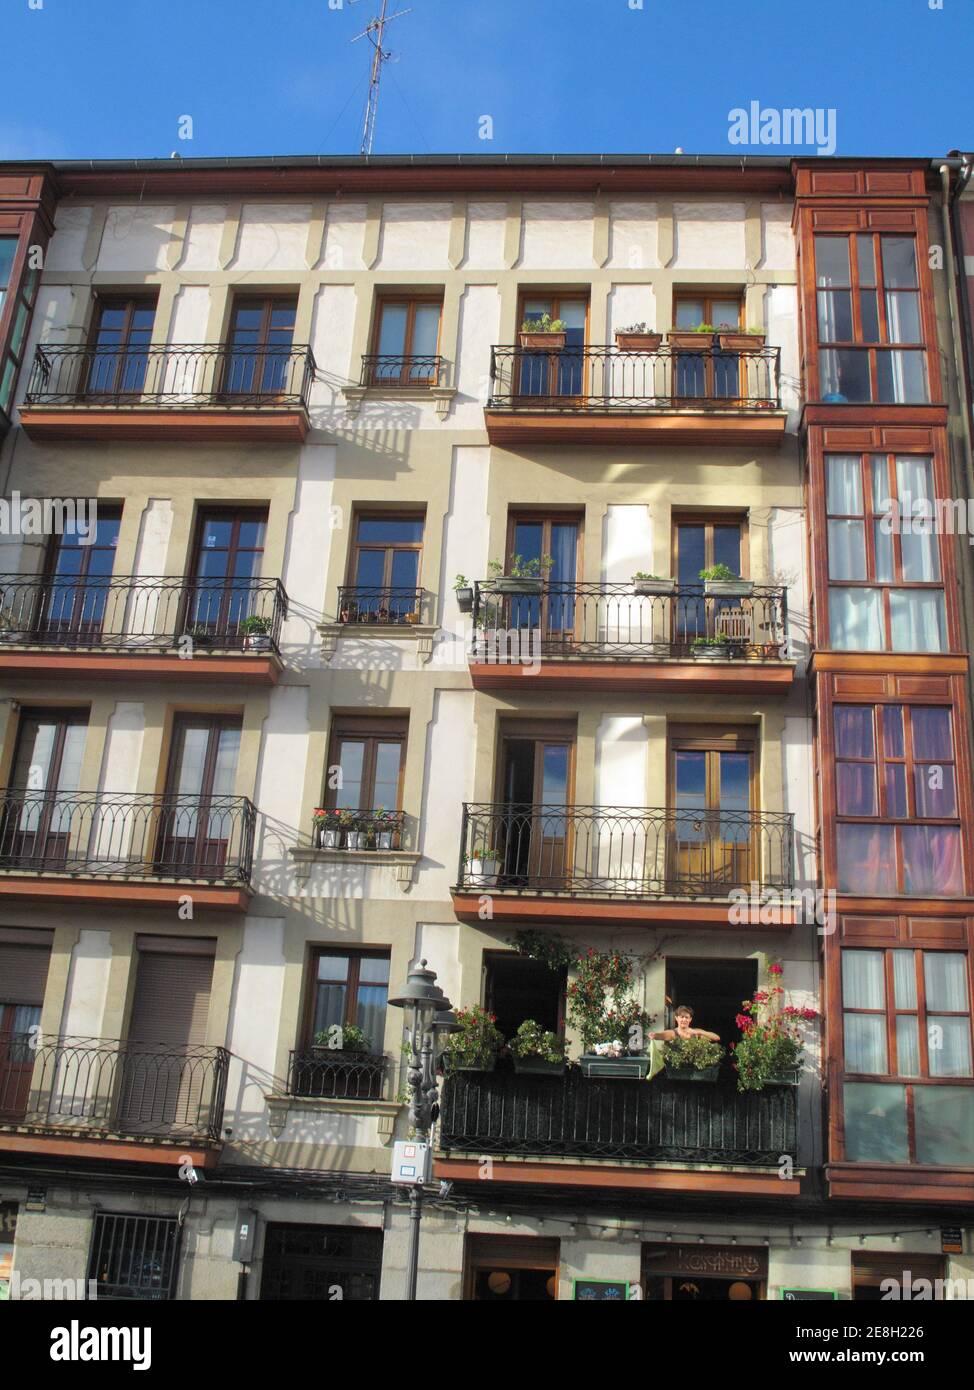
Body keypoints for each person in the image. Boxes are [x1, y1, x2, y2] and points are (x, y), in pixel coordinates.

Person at [649, 1004, 720, 1042]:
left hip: (694, 1068)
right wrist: (655, 1035)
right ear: (676, 1018)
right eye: (682, 1017)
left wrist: (699, 1033)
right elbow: (663, 1035)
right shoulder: (673, 1033)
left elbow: (717, 1038)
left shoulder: (696, 1032)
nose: (684, 1019)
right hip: (676, 1069)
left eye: (686, 1017)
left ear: (690, 1019)